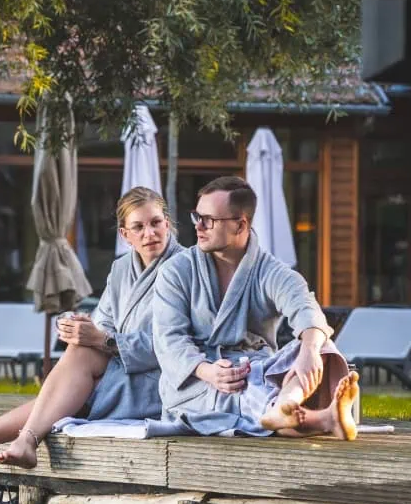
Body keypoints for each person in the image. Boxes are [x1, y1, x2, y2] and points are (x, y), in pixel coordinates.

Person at [0, 186, 182, 469]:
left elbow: (173, 347)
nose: (150, 233)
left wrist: (105, 341)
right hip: (122, 369)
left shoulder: (184, 269)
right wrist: (80, 328)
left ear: (167, 223)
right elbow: (104, 323)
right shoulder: (122, 269)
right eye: (139, 226)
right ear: (125, 234)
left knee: (71, 386)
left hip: (161, 382)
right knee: (75, 363)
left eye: (156, 223)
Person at [152, 175, 359, 439]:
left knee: (319, 343)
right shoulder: (176, 271)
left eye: (209, 220)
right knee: (251, 388)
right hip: (197, 382)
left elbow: (305, 306)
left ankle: (289, 404)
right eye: (197, 216)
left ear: (240, 225)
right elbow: (169, 340)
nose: (199, 227)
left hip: (256, 370)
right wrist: (209, 371)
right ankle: (313, 414)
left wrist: (309, 350)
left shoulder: (268, 270)